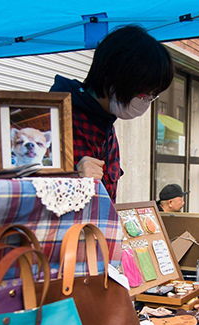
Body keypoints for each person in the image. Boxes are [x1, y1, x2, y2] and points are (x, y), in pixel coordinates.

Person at [49, 25, 174, 201]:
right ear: (114, 77)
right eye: (144, 93)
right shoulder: (53, 118)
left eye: (153, 95)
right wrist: (71, 179)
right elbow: (20, 191)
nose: (146, 100)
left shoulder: (106, 125)